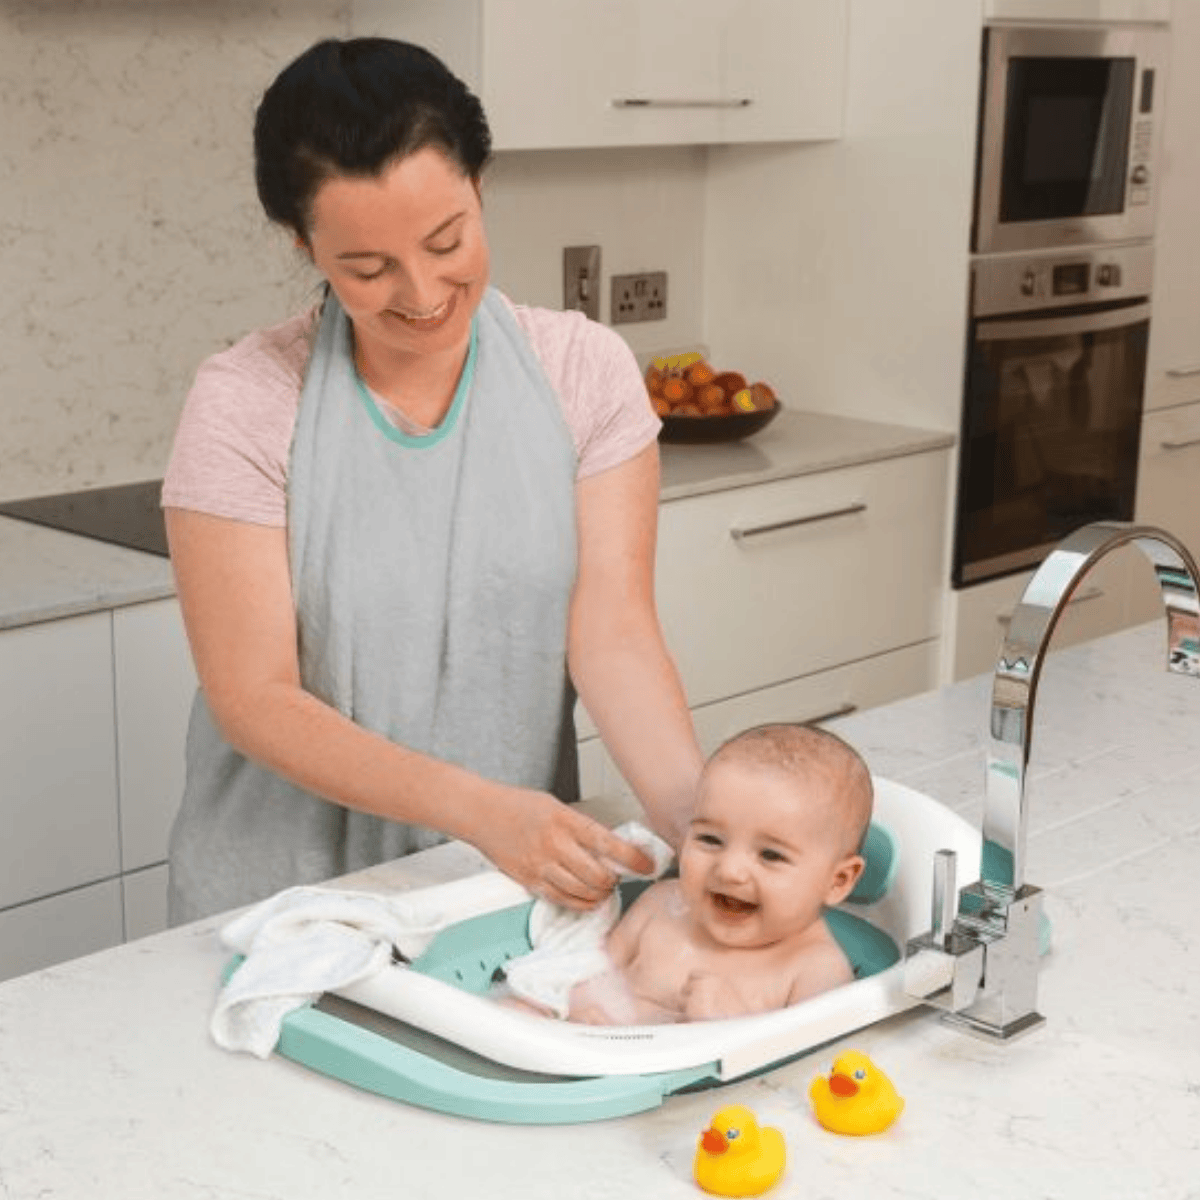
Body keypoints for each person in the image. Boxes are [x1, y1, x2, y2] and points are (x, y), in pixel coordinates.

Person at [161, 37, 704, 925]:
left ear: (479, 189)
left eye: (446, 240)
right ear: (304, 244)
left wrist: (706, 834)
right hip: (280, 911)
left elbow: (613, 633)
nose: (421, 292)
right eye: (367, 269)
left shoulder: (583, 372)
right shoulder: (245, 403)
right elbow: (254, 698)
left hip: (499, 890)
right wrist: (479, 810)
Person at [565, 723, 872, 1024]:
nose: (729, 870)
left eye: (771, 854)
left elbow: (811, 1061)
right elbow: (581, 973)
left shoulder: (815, 971)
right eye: (710, 839)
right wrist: (567, 1009)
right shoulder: (659, 905)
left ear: (837, 881)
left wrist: (734, 1025)